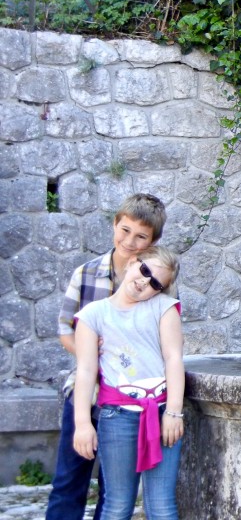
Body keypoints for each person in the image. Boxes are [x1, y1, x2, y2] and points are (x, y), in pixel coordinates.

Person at [47, 193, 169, 520]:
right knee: (69, 478)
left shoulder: (155, 283)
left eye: (140, 236)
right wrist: (87, 351)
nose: (129, 241)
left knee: (113, 490)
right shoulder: (85, 274)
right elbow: (64, 329)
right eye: (125, 230)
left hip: (128, 399)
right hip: (88, 391)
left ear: (152, 241)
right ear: (115, 224)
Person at [72, 246, 185, 520]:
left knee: (161, 505)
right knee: (117, 504)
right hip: (117, 417)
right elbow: (86, 371)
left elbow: (173, 359)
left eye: (155, 283)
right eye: (145, 270)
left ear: (160, 290)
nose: (145, 281)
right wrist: (83, 424)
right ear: (134, 262)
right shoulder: (93, 314)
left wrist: (173, 412)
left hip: (160, 413)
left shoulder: (164, 308)